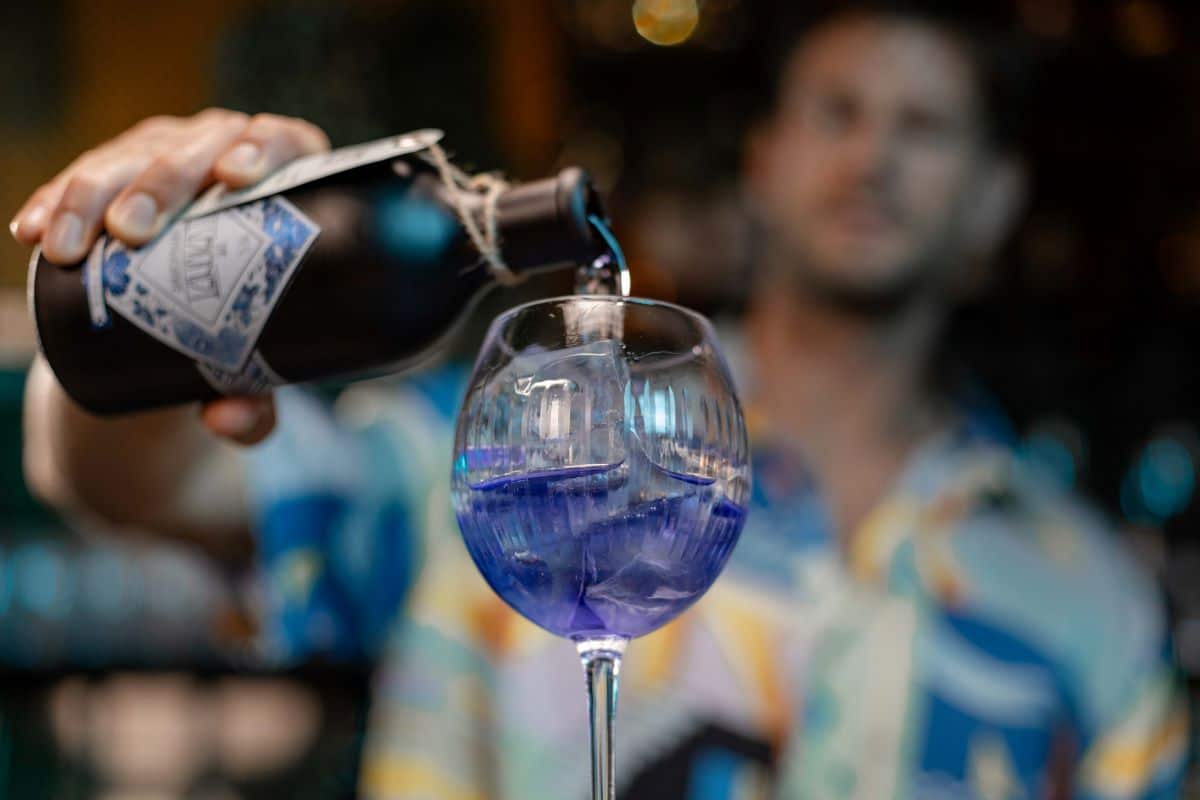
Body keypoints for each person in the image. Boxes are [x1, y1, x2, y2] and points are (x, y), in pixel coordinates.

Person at [15, 2, 1189, 797]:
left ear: (995, 200)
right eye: (838, 111)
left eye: (924, 126)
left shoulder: (1089, 599)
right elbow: (135, 484)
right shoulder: (501, 448)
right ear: (764, 162)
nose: (873, 156)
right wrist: (155, 304)